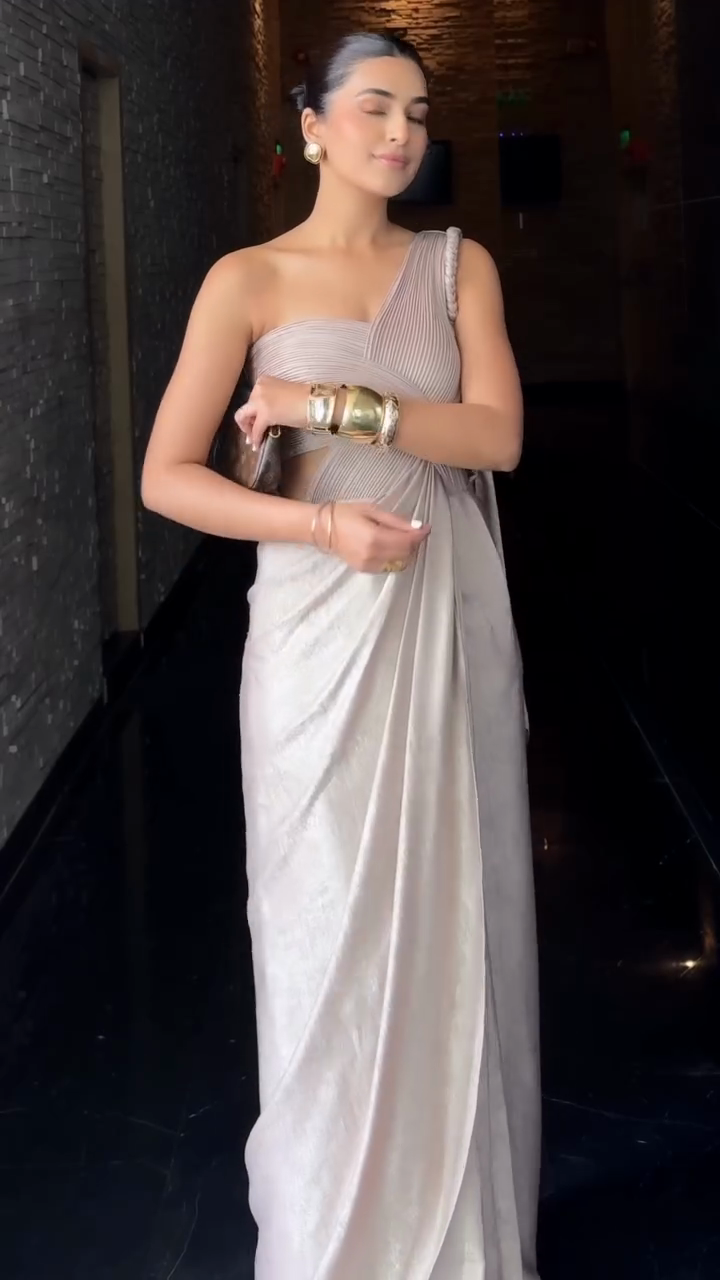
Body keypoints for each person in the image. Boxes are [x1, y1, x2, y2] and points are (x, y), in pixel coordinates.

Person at [141, 29, 542, 1280]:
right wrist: (320, 524)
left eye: (418, 112)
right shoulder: (247, 280)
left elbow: (497, 437)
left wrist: (327, 405)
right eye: (374, 107)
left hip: (445, 622)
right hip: (316, 634)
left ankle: (457, 1230)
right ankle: (333, 1241)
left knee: (455, 913)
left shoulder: (457, 265)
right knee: (320, 931)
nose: (401, 133)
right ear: (312, 126)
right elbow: (169, 477)